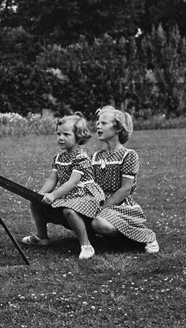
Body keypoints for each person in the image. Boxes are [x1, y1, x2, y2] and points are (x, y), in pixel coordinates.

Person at [21, 113, 105, 259]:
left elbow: (72, 182)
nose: (60, 138)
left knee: (70, 211)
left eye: (66, 134)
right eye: (58, 134)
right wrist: (39, 195)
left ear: (78, 136)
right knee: (35, 203)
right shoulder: (59, 157)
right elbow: (52, 179)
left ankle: (86, 245)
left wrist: (53, 195)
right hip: (68, 193)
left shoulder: (81, 158)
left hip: (85, 194)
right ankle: (42, 236)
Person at [91, 105, 160, 253]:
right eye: (97, 123)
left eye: (103, 123)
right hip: (98, 202)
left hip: (120, 205)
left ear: (117, 129)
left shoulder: (128, 155)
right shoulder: (96, 156)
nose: (98, 126)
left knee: (98, 224)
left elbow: (125, 189)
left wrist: (104, 207)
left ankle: (144, 236)